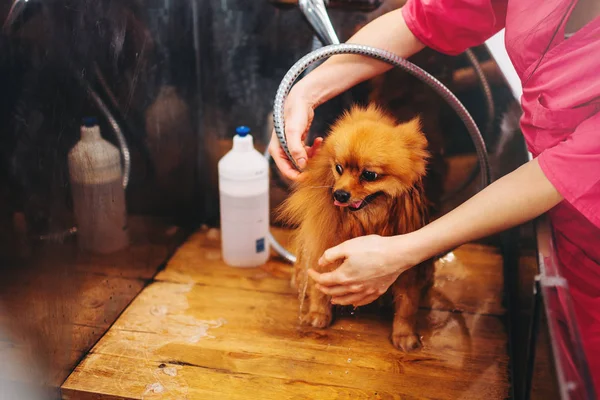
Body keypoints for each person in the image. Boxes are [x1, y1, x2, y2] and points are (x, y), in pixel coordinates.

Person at [268, 0, 600, 391]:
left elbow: (555, 174)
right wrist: (304, 92)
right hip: (555, 218)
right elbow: (424, 18)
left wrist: (406, 250)